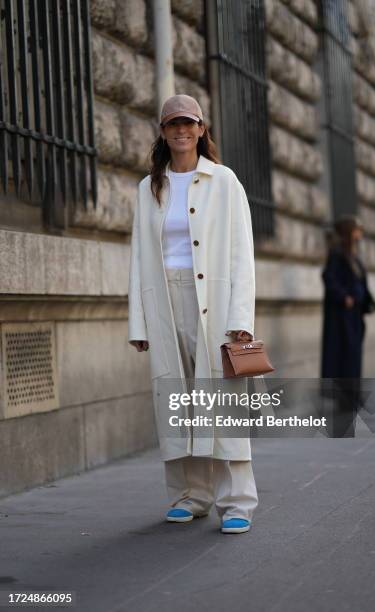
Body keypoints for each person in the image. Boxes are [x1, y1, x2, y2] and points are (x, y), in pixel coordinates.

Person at [128, 94, 258, 534]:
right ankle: (191, 495)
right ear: (163, 133)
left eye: (189, 124)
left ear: (202, 129)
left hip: (216, 303)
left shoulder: (224, 181)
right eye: (172, 125)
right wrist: (138, 321)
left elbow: (242, 253)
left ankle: (237, 501)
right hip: (164, 299)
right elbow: (139, 256)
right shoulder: (150, 188)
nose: (181, 131)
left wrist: (241, 318)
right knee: (177, 402)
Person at [320, 215, 375, 436]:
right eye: (357, 229)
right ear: (349, 232)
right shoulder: (337, 254)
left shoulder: (353, 255)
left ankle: (353, 395)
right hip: (341, 318)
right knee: (343, 354)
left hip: (354, 316)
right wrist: (345, 297)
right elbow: (329, 278)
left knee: (353, 355)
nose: (360, 233)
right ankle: (344, 399)